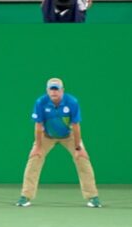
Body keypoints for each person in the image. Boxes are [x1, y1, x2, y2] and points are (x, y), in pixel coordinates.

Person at [20, 76, 100, 207]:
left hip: (69, 135)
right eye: (51, 89)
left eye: (56, 89)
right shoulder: (40, 102)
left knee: (82, 159)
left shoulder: (72, 102)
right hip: (46, 136)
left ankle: (93, 197)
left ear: (62, 90)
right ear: (47, 90)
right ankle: (25, 196)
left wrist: (78, 148)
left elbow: (76, 125)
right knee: (34, 158)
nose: (54, 92)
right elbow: (38, 125)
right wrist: (38, 146)